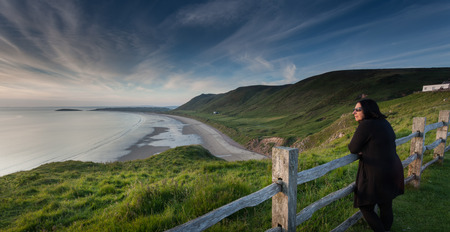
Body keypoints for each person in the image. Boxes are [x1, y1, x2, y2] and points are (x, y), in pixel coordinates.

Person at [348, 99, 404, 232]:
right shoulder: (384, 122)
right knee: (386, 204)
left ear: (367, 110)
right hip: (393, 168)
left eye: (357, 109)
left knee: (365, 206)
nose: (353, 112)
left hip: (376, 172)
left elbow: (353, 148)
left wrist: (362, 150)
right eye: (354, 109)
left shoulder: (366, 125)